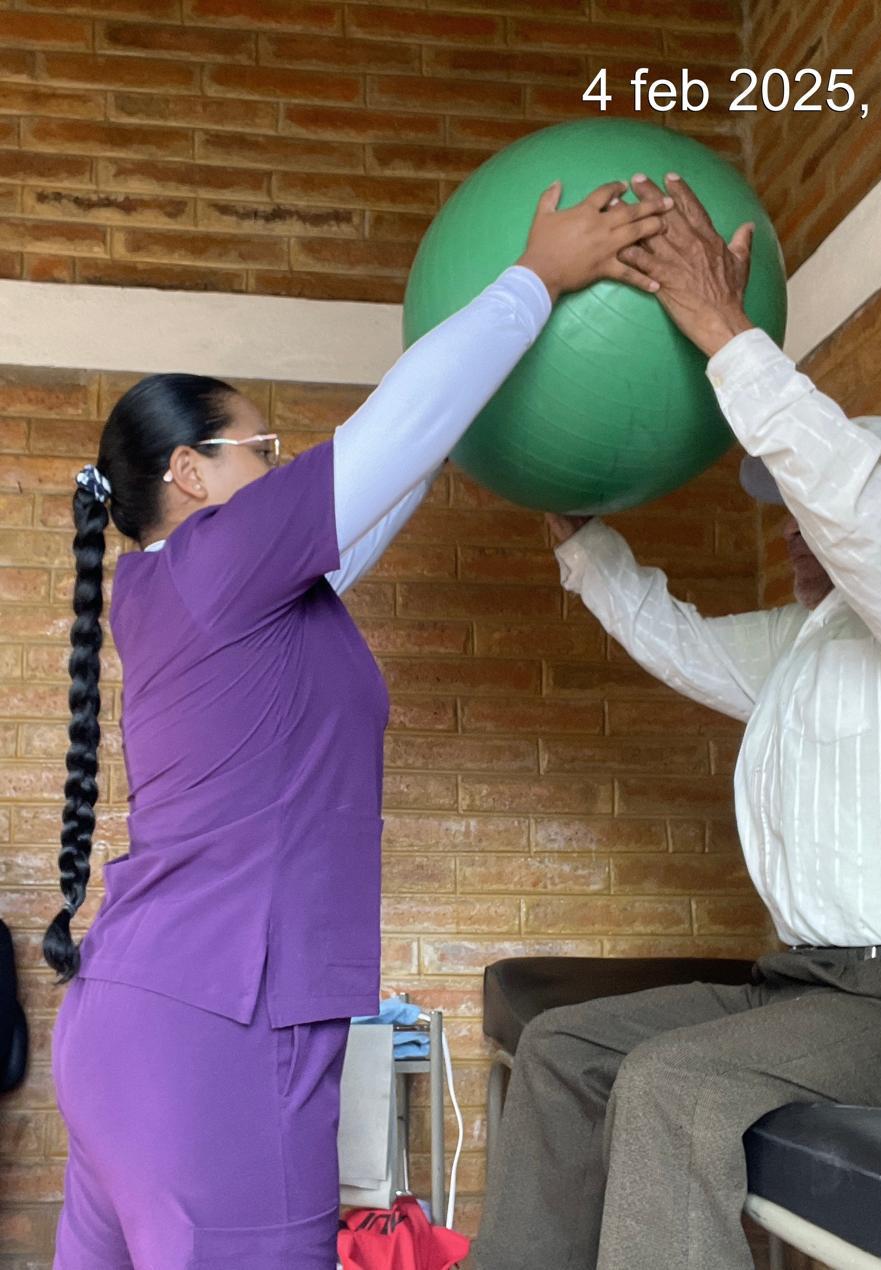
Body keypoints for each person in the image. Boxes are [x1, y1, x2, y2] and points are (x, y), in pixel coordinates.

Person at [44, 177, 672, 1270]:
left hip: (134, 1028)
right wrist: (533, 280)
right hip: (220, 1044)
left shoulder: (181, 591)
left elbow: (388, 479)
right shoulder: (220, 562)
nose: (282, 466)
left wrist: (474, 403)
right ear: (190, 474)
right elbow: (389, 435)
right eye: (263, 447)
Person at [469, 176, 881, 1270]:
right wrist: (580, 537)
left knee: (675, 1085)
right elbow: (678, 640)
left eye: (806, 513)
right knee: (564, 1047)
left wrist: (723, 329)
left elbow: (861, 519)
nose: (791, 532)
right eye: (787, 517)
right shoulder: (806, 644)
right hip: (805, 989)